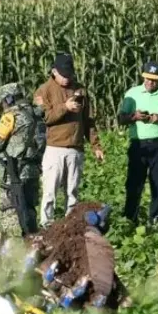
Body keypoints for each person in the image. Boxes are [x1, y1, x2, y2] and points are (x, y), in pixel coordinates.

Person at [33, 52, 104, 228]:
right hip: (54, 148)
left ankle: (70, 225)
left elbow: (88, 121)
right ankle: (46, 224)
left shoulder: (80, 90)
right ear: (54, 71)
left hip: (76, 149)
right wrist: (65, 107)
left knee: (72, 192)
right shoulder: (44, 91)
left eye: (69, 74)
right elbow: (44, 118)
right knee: (50, 191)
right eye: (63, 75)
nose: (66, 78)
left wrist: (96, 146)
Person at [118, 61, 158, 226]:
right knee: (134, 183)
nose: (150, 82)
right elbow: (121, 118)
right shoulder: (132, 93)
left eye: (154, 80)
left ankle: (156, 219)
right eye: (147, 78)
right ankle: (129, 219)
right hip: (138, 144)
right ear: (143, 76)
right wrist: (135, 117)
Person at [0, 82, 43, 240]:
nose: (2, 105)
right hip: (33, 170)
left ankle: (13, 251)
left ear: (8, 99)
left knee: (9, 210)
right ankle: (32, 245)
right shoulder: (37, 113)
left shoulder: (10, 116)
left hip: (13, 172)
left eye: (2, 101)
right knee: (29, 209)